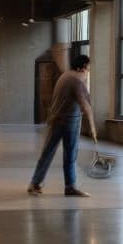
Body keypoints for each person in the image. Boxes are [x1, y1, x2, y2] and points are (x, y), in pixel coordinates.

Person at [28, 54, 97, 197]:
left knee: (48, 152)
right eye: (88, 67)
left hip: (55, 119)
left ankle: (35, 183)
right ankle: (70, 187)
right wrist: (92, 128)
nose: (89, 70)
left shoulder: (65, 75)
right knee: (70, 156)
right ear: (82, 67)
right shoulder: (77, 80)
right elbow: (86, 106)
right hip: (70, 121)